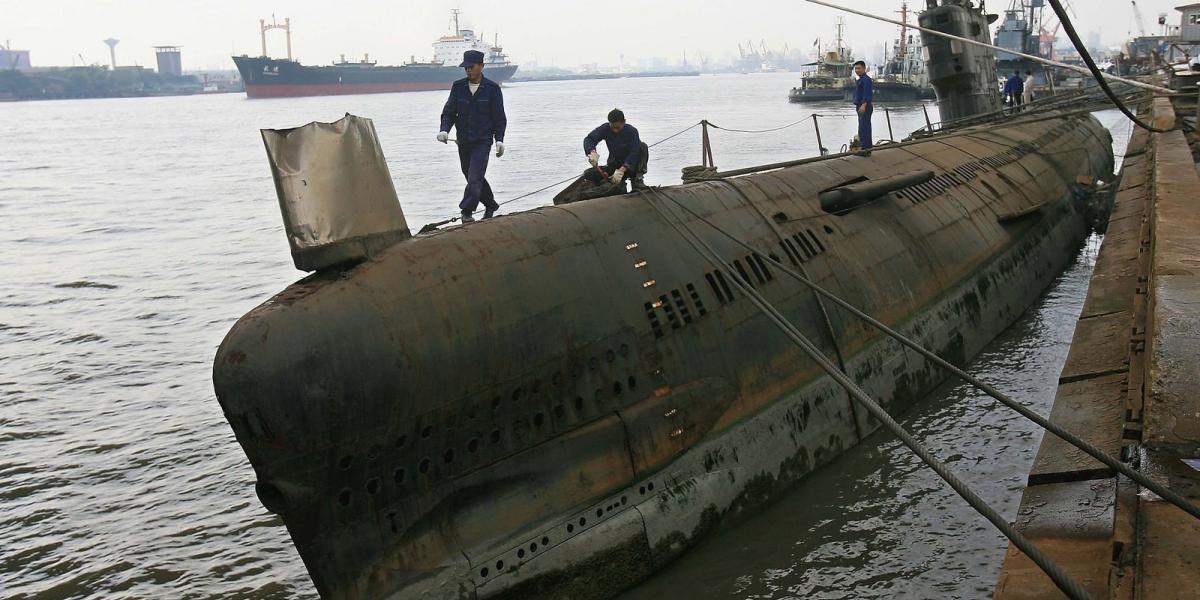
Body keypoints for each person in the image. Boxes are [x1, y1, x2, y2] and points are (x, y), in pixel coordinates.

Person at [438, 49, 507, 223]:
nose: (468, 70)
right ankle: (490, 204)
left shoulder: (492, 89)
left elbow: (499, 117)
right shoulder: (458, 86)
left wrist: (499, 140)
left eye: (472, 66)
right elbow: (449, 111)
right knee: (470, 175)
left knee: (475, 176)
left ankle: (466, 211)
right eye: (466, 67)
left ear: (481, 66)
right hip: (464, 140)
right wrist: (444, 129)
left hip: (483, 141)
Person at [583, 109, 647, 190]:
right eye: (612, 127)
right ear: (609, 122)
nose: (615, 130)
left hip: (632, 167)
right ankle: (613, 184)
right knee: (587, 174)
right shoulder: (605, 129)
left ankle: (638, 180)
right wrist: (591, 151)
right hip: (614, 165)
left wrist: (623, 169)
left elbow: (634, 152)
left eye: (617, 128)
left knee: (643, 146)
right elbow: (589, 139)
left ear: (623, 122)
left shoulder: (632, 131)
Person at [852, 61, 873, 155]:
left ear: (864, 68)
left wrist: (863, 105)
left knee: (864, 127)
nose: (857, 70)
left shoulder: (866, 80)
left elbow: (866, 93)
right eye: (855, 68)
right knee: (863, 127)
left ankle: (865, 149)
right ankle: (866, 148)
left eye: (859, 68)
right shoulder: (860, 79)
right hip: (861, 106)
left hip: (864, 106)